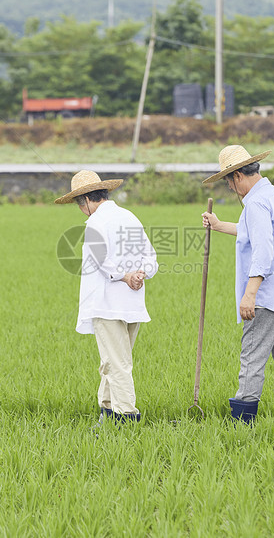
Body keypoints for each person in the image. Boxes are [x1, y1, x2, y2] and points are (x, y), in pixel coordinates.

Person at [201, 145, 274, 424]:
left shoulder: (257, 203)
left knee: (252, 358)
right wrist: (218, 224)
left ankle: (242, 424)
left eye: (228, 182)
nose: (231, 189)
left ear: (237, 176)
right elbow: (257, 231)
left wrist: (250, 295)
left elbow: (263, 251)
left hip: (267, 297)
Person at [55, 170, 158, 423]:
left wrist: (125, 276)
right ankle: (107, 410)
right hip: (132, 304)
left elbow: (101, 261)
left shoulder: (95, 224)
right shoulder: (129, 217)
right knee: (112, 362)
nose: (80, 209)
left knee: (117, 364)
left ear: (87, 200)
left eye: (79, 204)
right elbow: (151, 257)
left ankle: (126, 417)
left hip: (107, 304)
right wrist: (141, 274)